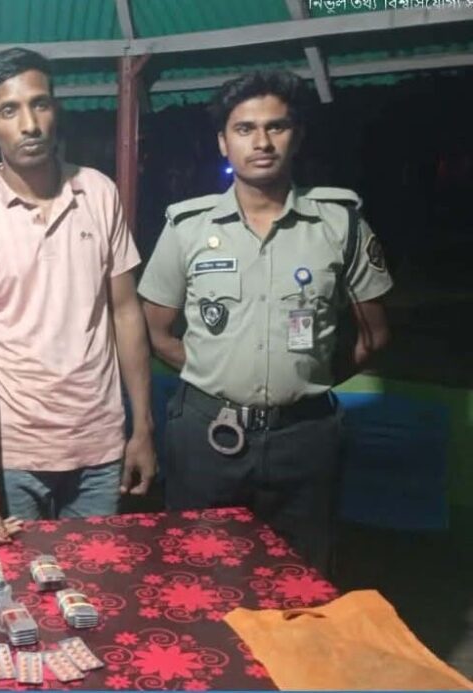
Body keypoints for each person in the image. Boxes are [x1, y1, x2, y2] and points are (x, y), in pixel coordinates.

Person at [138, 69, 392, 573]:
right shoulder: (188, 228)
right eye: (244, 129)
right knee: (200, 576)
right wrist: (217, 377)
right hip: (208, 434)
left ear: (297, 135)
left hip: (306, 437)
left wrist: (308, 379)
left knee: (302, 580)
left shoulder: (339, 224)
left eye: (276, 126)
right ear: (223, 142)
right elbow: (159, 334)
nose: (261, 142)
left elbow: (375, 336)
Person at [0, 48, 157, 543]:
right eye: (9, 110)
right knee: (22, 584)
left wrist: (143, 428)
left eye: (39, 104)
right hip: (17, 454)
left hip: (100, 445)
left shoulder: (98, 192)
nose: (29, 124)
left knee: (98, 581)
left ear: (55, 110)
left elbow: (126, 312)